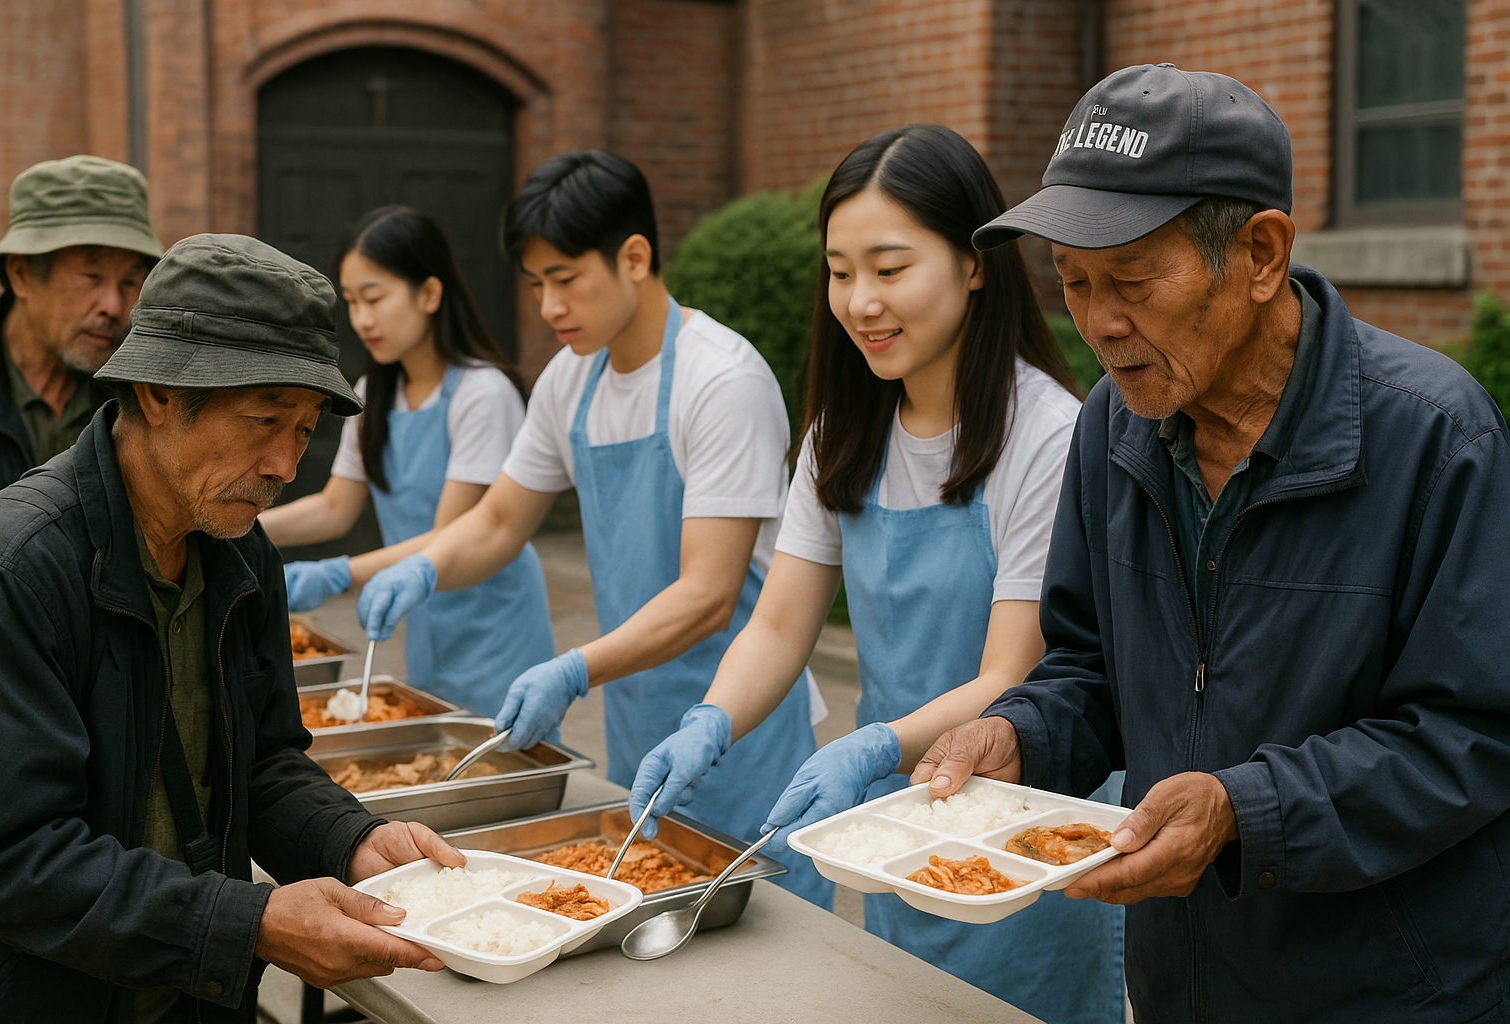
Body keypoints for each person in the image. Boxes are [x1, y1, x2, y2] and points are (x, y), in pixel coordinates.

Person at [913, 63, 1510, 1023]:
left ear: (1262, 255)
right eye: (1073, 283)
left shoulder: (1439, 438)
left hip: (1392, 992)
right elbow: (1093, 668)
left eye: (1134, 281)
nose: (1101, 326)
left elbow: (1473, 737)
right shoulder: (1114, 424)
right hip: (1182, 982)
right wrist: (1020, 735)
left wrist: (1246, 811)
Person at [628, 124, 1124, 1023]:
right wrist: (711, 720)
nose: (860, 301)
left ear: (975, 264)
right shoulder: (843, 435)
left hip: (1022, 828)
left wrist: (869, 746)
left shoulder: (1048, 436)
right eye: (840, 270)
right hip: (898, 827)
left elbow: (1011, 676)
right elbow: (780, 625)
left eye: (890, 269)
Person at [0, 234, 466, 1024]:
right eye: (264, 419)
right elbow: (15, 859)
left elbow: (264, 758)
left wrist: (350, 840)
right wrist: (252, 922)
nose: (284, 464)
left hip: (198, 993)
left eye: (304, 430)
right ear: (160, 392)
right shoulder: (13, 570)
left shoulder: (241, 551)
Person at [353, 151, 832, 907]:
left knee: (765, 949)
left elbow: (708, 593)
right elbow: (502, 519)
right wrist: (427, 567)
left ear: (634, 257)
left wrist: (573, 669)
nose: (547, 306)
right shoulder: (569, 380)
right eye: (536, 283)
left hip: (741, 727)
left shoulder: (721, 381)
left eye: (566, 279)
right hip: (640, 714)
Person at [260, 206, 554, 714]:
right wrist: (248, 526)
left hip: (495, 626)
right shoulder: (372, 393)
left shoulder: (482, 395)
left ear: (430, 294)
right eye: (352, 302)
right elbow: (336, 506)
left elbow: (451, 533)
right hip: (423, 615)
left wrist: (338, 574)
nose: (362, 319)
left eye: (374, 298)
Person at [0, 154, 162, 506]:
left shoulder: (144, 400)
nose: (114, 306)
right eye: (91, 277)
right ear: (22, 274)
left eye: (130, 280)